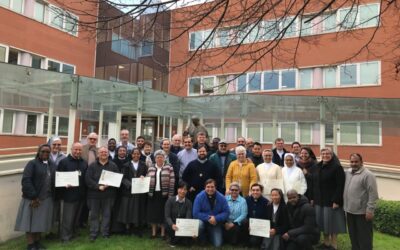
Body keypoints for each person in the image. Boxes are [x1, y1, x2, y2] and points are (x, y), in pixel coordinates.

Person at [15, 144, 54, 250]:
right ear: (38, 152)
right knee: (30, 223)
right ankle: (31, 245)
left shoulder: (51, 164)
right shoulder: (32, 164)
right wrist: (33, 196)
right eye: (43, 151)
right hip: (33, 199)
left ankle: (37, 242)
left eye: (47, 152)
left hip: (46, 198)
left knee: (39, 222)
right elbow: (26, 181)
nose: (45, 153)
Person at [310, 148, 346, 250]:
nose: (325, 155)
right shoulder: (317, 166)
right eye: (323, 153)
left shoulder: (337, 167)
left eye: (328, 153)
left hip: (331, 201)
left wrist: (337, 200)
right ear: (321, 154)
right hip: (319, 200)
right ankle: (326, 243)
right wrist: (313, 198)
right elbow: (314, 184)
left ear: (332, 155)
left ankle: (334, 245)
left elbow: (340, 185)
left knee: (332, 224)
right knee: (322, 223)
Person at [343, 153, 378, 250]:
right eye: (352, 161)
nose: (353, 164)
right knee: (353, 236)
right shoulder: (348, 172)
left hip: (362, 213)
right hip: (349, 211)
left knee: (364, 238)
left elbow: (373, 194)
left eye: (356, 162)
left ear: (361, 162)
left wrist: (370, 210)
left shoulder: (368, 175)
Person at [85, 147, 120, 241]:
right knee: (94, 215)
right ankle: (93, 233)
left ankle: (105, 233)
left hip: (109, 195)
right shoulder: (92, 165)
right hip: (94, 195)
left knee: (107, 215)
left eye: (105, 152)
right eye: (101, 152)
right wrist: (98, 186)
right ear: (98, 154)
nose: (104, 153)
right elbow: (88, 180)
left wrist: (110, 184)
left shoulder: (113, 166)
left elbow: (117, 179)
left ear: (108, 154)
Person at [57, 142, 88, 243]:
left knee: (76, 217)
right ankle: (65, 237)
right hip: (68, 195)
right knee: (68, 218)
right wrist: (63, 184)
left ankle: (74, 233)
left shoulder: (84, 163)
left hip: (80, 195)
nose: (78, 151)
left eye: (79, 150)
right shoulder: (64, 162)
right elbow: (58, 178)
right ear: (71, 149)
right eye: (76, 149)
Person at [118, 148, 148, 237]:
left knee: (138, 210)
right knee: (128, 210)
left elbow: (146, 175)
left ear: (140, 155)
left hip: (139, 192)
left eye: (138, 154)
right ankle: (127, 228)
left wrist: (144, 177)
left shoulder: (143, 165)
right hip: (128, 192)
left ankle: (137, 228)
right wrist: (130, 185)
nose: (136, 155)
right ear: (131, 155)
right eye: (134, 153)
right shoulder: (126, 165)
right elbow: (122, 178)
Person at [146, 150, 175, 238]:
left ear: (164, 158)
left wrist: (170, 194)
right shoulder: (151, 167)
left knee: (163, 214)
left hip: (164, 194)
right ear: (155, 158)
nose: (159, 159)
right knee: (153, 214)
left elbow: (172, 181)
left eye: (161, 157)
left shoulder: (169, 167)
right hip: (153, 194)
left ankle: (163, 233)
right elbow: (147, 179)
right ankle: (154, 233)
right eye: (158, 157)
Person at [193, 179, 229, 247]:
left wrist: (216, 218)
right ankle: (202, 237)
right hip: (203, 221)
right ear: (205, 187)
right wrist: (208, 218)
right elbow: (195, 213)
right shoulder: (199, 197)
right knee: (199, 224)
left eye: (212, 187)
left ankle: (209, 235)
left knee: (217, 244)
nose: (210, 189)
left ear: (215, 187)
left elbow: (226, 212)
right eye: (208, 187)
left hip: (215, 222)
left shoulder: (221, 197)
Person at [164, 181, 193, 247]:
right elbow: (167, 216)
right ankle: (177, 239)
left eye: (185, 189)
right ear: (177, 189)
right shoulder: (170, 200)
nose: (183, 191)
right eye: (181, 189)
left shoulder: (189, 203)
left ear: (187, 191)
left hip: (183, 226)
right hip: (171, 224)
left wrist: (184, 226)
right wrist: (172, 224)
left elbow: (188, 217)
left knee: (187, 243)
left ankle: (175, 240)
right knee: (168, 225)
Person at [48, 136, 66, 238]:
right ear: (50, 144)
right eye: (54, 144)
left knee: (57, 210)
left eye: (59, 144)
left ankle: (55, 231)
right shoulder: (45, 154)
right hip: (46, 188)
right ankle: (47, 231)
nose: (56, 146)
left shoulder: (63, 156)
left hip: (59, 188)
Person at [110, 146, 129, 234]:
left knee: (124, 209)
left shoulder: (129, 161)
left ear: (126, 152)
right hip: (115, 188)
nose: (122, 152)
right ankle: (114, 228)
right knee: (115, 208)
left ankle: (124, 228)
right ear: (117, 152)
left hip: (126, 189)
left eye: (124, 151)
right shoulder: (113, 162)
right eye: (120, 150)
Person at [245, 183, 269, 247]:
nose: (255, 192)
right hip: (248, 224)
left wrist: (256, 226)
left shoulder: (266, 202)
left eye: (257, 190)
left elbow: (267, 218)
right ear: (251, 191)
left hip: (260, 226)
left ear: (261, 191)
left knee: (254, 243)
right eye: (253, 190)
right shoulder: (246, 200)